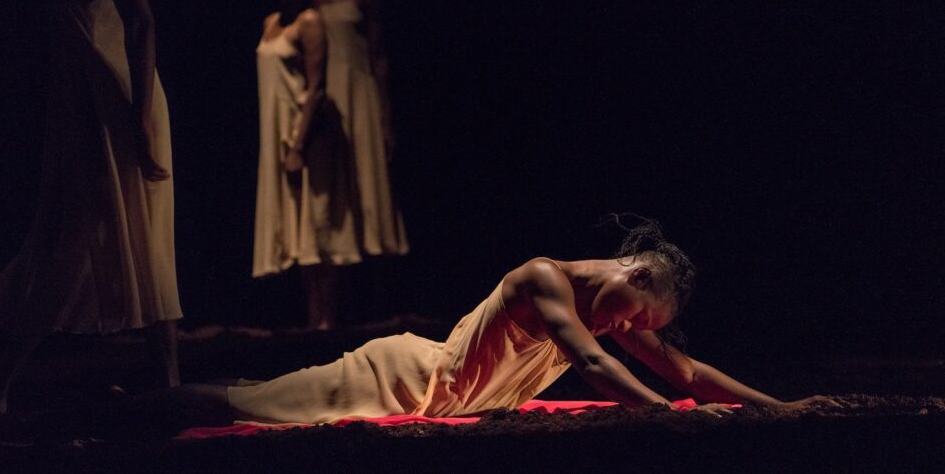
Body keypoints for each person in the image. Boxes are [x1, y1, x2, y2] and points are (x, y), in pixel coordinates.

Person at [145, 221, 834, 426]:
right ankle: (126, 408)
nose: (633, 327)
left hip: (442, 400)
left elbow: (683, 371)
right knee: (247, 408)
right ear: (636, 273)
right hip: (404, 380)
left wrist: (783, 408)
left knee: (261, 394)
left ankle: (142, 403)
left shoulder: (611, 312)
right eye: (640, 313)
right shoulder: (546, 278)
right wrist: (670, 418)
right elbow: (593, 368)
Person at [0, 0, 182, 415]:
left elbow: (142, 22)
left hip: (122, 104)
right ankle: (164, 380)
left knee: (108, 235)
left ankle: (4, 381)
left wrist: (140, 118)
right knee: (84, 234)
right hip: (91, 105)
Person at [252, 0, 357, 329]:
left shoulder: (310, 21)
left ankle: (325, 322)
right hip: (277, 131)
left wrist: (298, 145)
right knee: (296, 227)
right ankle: (312, 321)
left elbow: (316, 87)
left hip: (307, 135)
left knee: (316, 226)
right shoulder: (270, 22)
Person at [308, 0, 408, 263]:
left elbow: (379, 55)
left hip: (359, 91)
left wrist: (385, 118)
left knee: (369, 183)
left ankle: (381, 284)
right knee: (331, 190)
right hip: (324, 98)